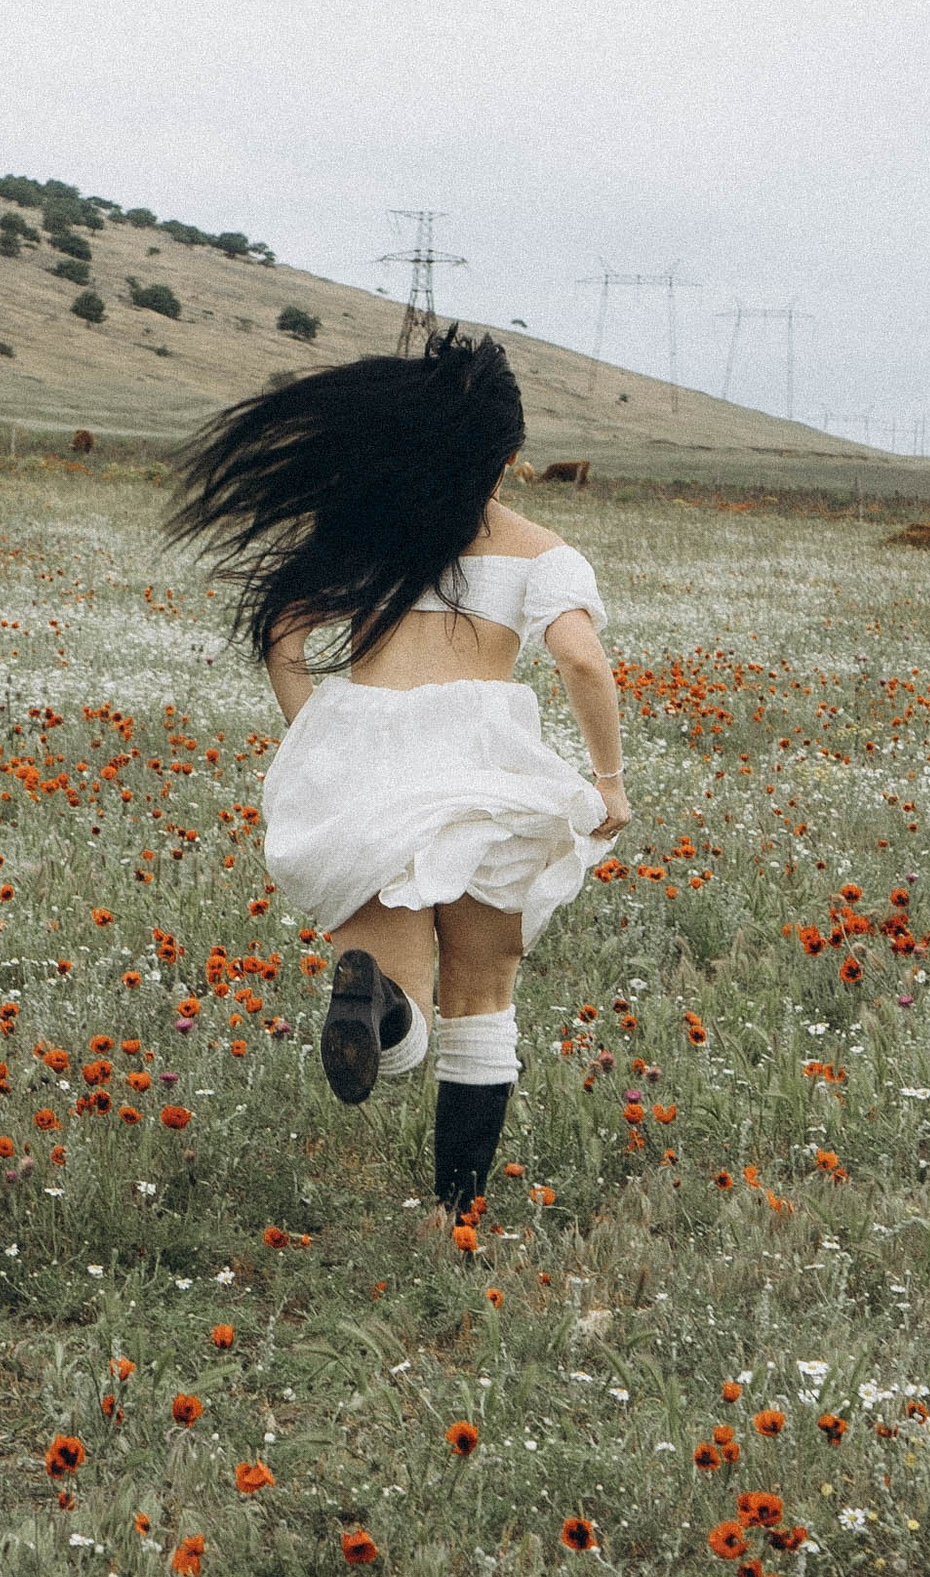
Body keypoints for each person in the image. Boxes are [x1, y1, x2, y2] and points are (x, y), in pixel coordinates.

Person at [166, 330, 628, 1211]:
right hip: (483, 768)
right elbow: (581, 659)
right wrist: (608, 779)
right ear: (509, 458)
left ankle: (376, 1001)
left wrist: (321, 737)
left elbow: (285, 635)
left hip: (365, 763)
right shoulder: (541, 552)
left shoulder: (372, 537)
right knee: (482, 997)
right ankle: (458, 1216)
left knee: (403, 1009)